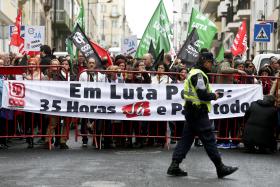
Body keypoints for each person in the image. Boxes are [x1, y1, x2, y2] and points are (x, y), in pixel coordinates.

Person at [167, 52, 238, 178]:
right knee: (209, 139)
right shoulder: (199, 75)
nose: (212, 65)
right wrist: (214, 96)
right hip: (198, 111)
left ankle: (174, 165)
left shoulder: (194, 72)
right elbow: (202, 95)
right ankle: (220, 167)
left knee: (186, 139)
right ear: (205, 61)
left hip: (191, 110)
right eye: (211, 62)